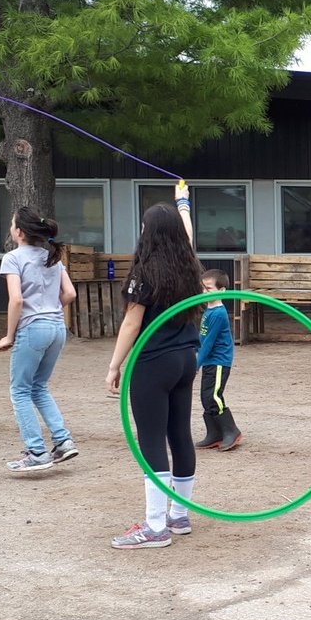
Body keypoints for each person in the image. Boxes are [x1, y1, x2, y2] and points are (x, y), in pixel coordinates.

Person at [106, 183, 206, 548]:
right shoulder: (189, 265)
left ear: (147, 232)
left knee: (150, 438)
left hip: (152, 361)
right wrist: (183, 201)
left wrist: (115, 365)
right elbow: (187, 231)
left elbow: (132, 324)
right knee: (179, 433)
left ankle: (154, 526)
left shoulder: (144, 272)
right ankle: (178, 516)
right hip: (185, 360)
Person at [0, 209, 79, 473]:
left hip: (33, 329)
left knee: (20, 391)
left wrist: (9, 335)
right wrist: (49, 308)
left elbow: (17, 300)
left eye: (12, 224)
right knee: (39, 387)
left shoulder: (12, 258)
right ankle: (63, 441)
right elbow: (70, 294)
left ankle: (37, 451)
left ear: (19, 232)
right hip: (57, 327)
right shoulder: (52, 257)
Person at [195, 268, 242, 451]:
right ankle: (214, 433)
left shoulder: (219, 314)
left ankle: (231, 430)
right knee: (205, 397)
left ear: (221, 290)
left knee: (214, 396)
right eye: (202, 288)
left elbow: (209, 343)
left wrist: (195, 364)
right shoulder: (208, 310)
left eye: (208, 288)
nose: (203, 292)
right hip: (209, 361)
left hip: (219, 361)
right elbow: (202, 339)